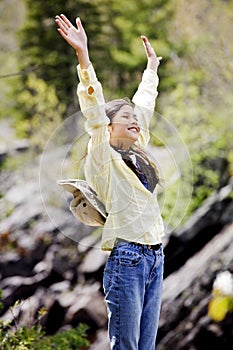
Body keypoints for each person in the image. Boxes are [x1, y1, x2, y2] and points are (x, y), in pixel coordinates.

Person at [55, 14, 165, 350]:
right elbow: (92, 108)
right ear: (109, 127)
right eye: (126, 117)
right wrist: (83, 57)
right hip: (127, 260)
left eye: (135, 119)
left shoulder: (137, 150)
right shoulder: (103, 156)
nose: (135, 121)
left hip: (155, 258)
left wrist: (151, 71)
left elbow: (144, 104)